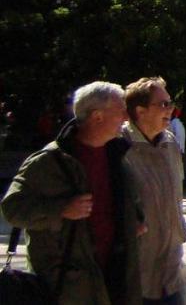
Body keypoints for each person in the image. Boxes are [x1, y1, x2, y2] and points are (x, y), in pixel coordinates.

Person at [1, 81, 144, 304]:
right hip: (68, 290)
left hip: (116, 282)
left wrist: (134, 219)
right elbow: (12, 209)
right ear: (97, 116)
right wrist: (61, 209)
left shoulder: (118, 157)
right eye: (121, 111)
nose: (127, 118)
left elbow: (126, 203)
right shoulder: (48, 162)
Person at [122, 77, 186, 305]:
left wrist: (181, 227)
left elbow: (176, 194)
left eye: (170, 103)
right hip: (135, 274)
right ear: (140, 111)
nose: (170, 109)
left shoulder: (169, 143)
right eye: (163, 104)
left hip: (171, 270)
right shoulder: (118, 145)